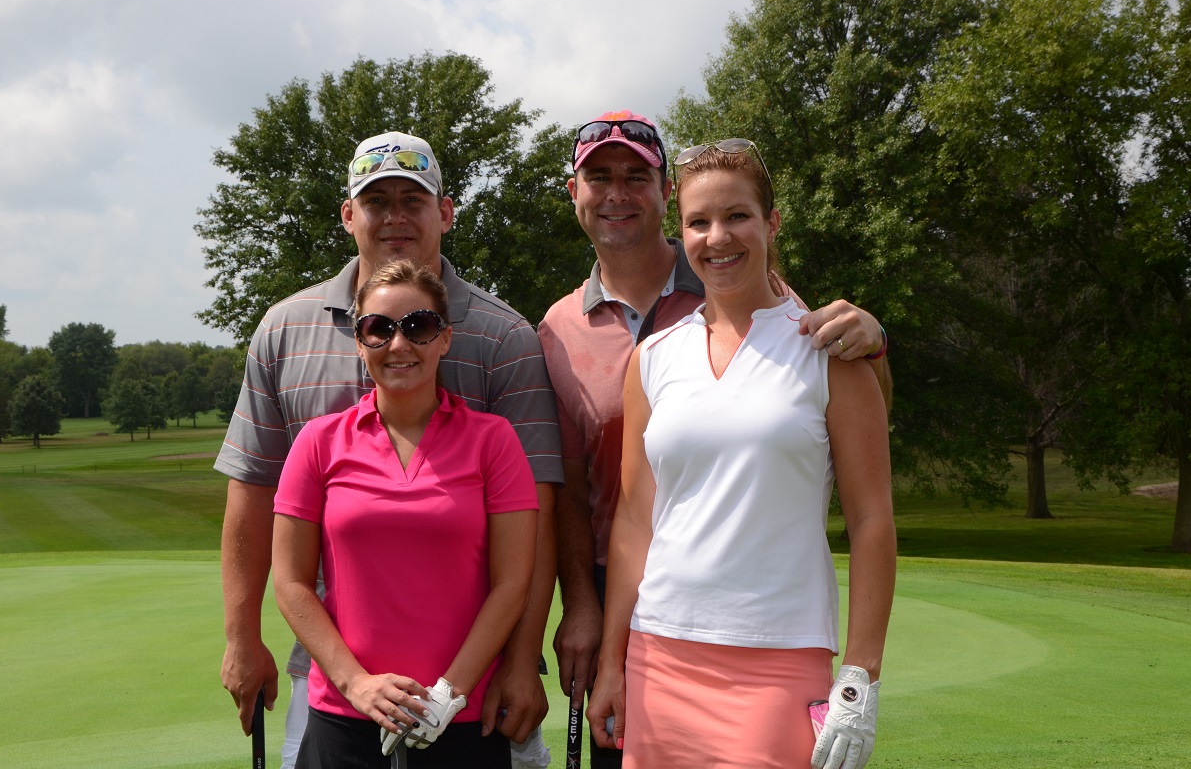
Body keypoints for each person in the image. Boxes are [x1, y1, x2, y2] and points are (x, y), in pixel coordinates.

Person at [537, 111, 890, 768]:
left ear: (772, 224)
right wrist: (613, 659)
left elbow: (871, 520)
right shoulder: (654, 357)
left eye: (738, 217)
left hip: (780, 661)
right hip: (658, 656)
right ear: (681, 228)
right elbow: (635, 522)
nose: (717, 237)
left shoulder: (829, 347)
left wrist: (861, 674)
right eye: (700, 222)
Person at [217, 132, 562, 768]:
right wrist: (241, 635)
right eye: (377, 201)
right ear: (349, 215)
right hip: (328, 674)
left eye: (414, 199)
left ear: (446, 212)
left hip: (474, 681)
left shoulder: (506, 335)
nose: (396, 216)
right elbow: (252, 487)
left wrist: (519, 663)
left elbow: (533, 515)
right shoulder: (282, 328)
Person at [273, 259, 539, 768]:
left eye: (419, 326)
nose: (400, 345)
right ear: (359, 341)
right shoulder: (318, 443)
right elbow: (290, 582)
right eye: (379, 328)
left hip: (461, 720)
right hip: (345, 719)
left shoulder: (493, 441)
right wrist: (357, 684)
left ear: (444, 338)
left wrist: (448, 694)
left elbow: (513, 583)